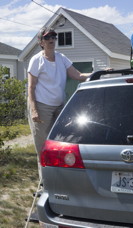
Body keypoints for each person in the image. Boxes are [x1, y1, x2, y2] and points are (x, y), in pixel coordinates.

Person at [27, 26, 90, 180]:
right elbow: (31, 87)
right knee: (43, 147)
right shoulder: (37, 60)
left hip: (59, 106)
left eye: (54, 37)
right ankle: (45, 183)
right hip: (41, 107)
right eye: (48, 38)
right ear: (41, 42)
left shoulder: (62, 58)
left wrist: (99, 74)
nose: (52, 40)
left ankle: (59, 178)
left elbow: (78, 75)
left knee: (60, 142)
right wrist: (34, 110)